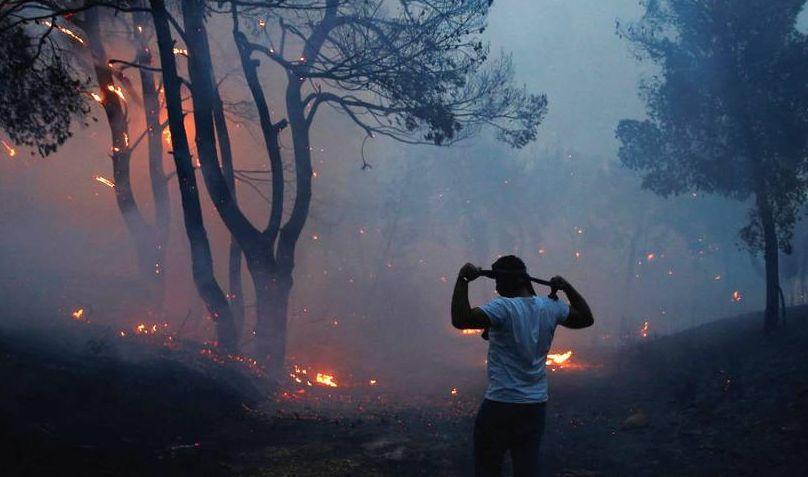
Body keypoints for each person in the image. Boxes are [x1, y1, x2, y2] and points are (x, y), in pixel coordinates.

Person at [451, 255, 594, 477]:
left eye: (500, 281)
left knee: (487, 469)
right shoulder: (550, 306)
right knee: (526, 468)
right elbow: (586, 318)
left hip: (501, 404)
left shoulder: (503, 307)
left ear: (517, 281)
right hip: (534, 406)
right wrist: (567, 288)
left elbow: (461, 319)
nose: (497, 287)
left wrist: (463, 279)